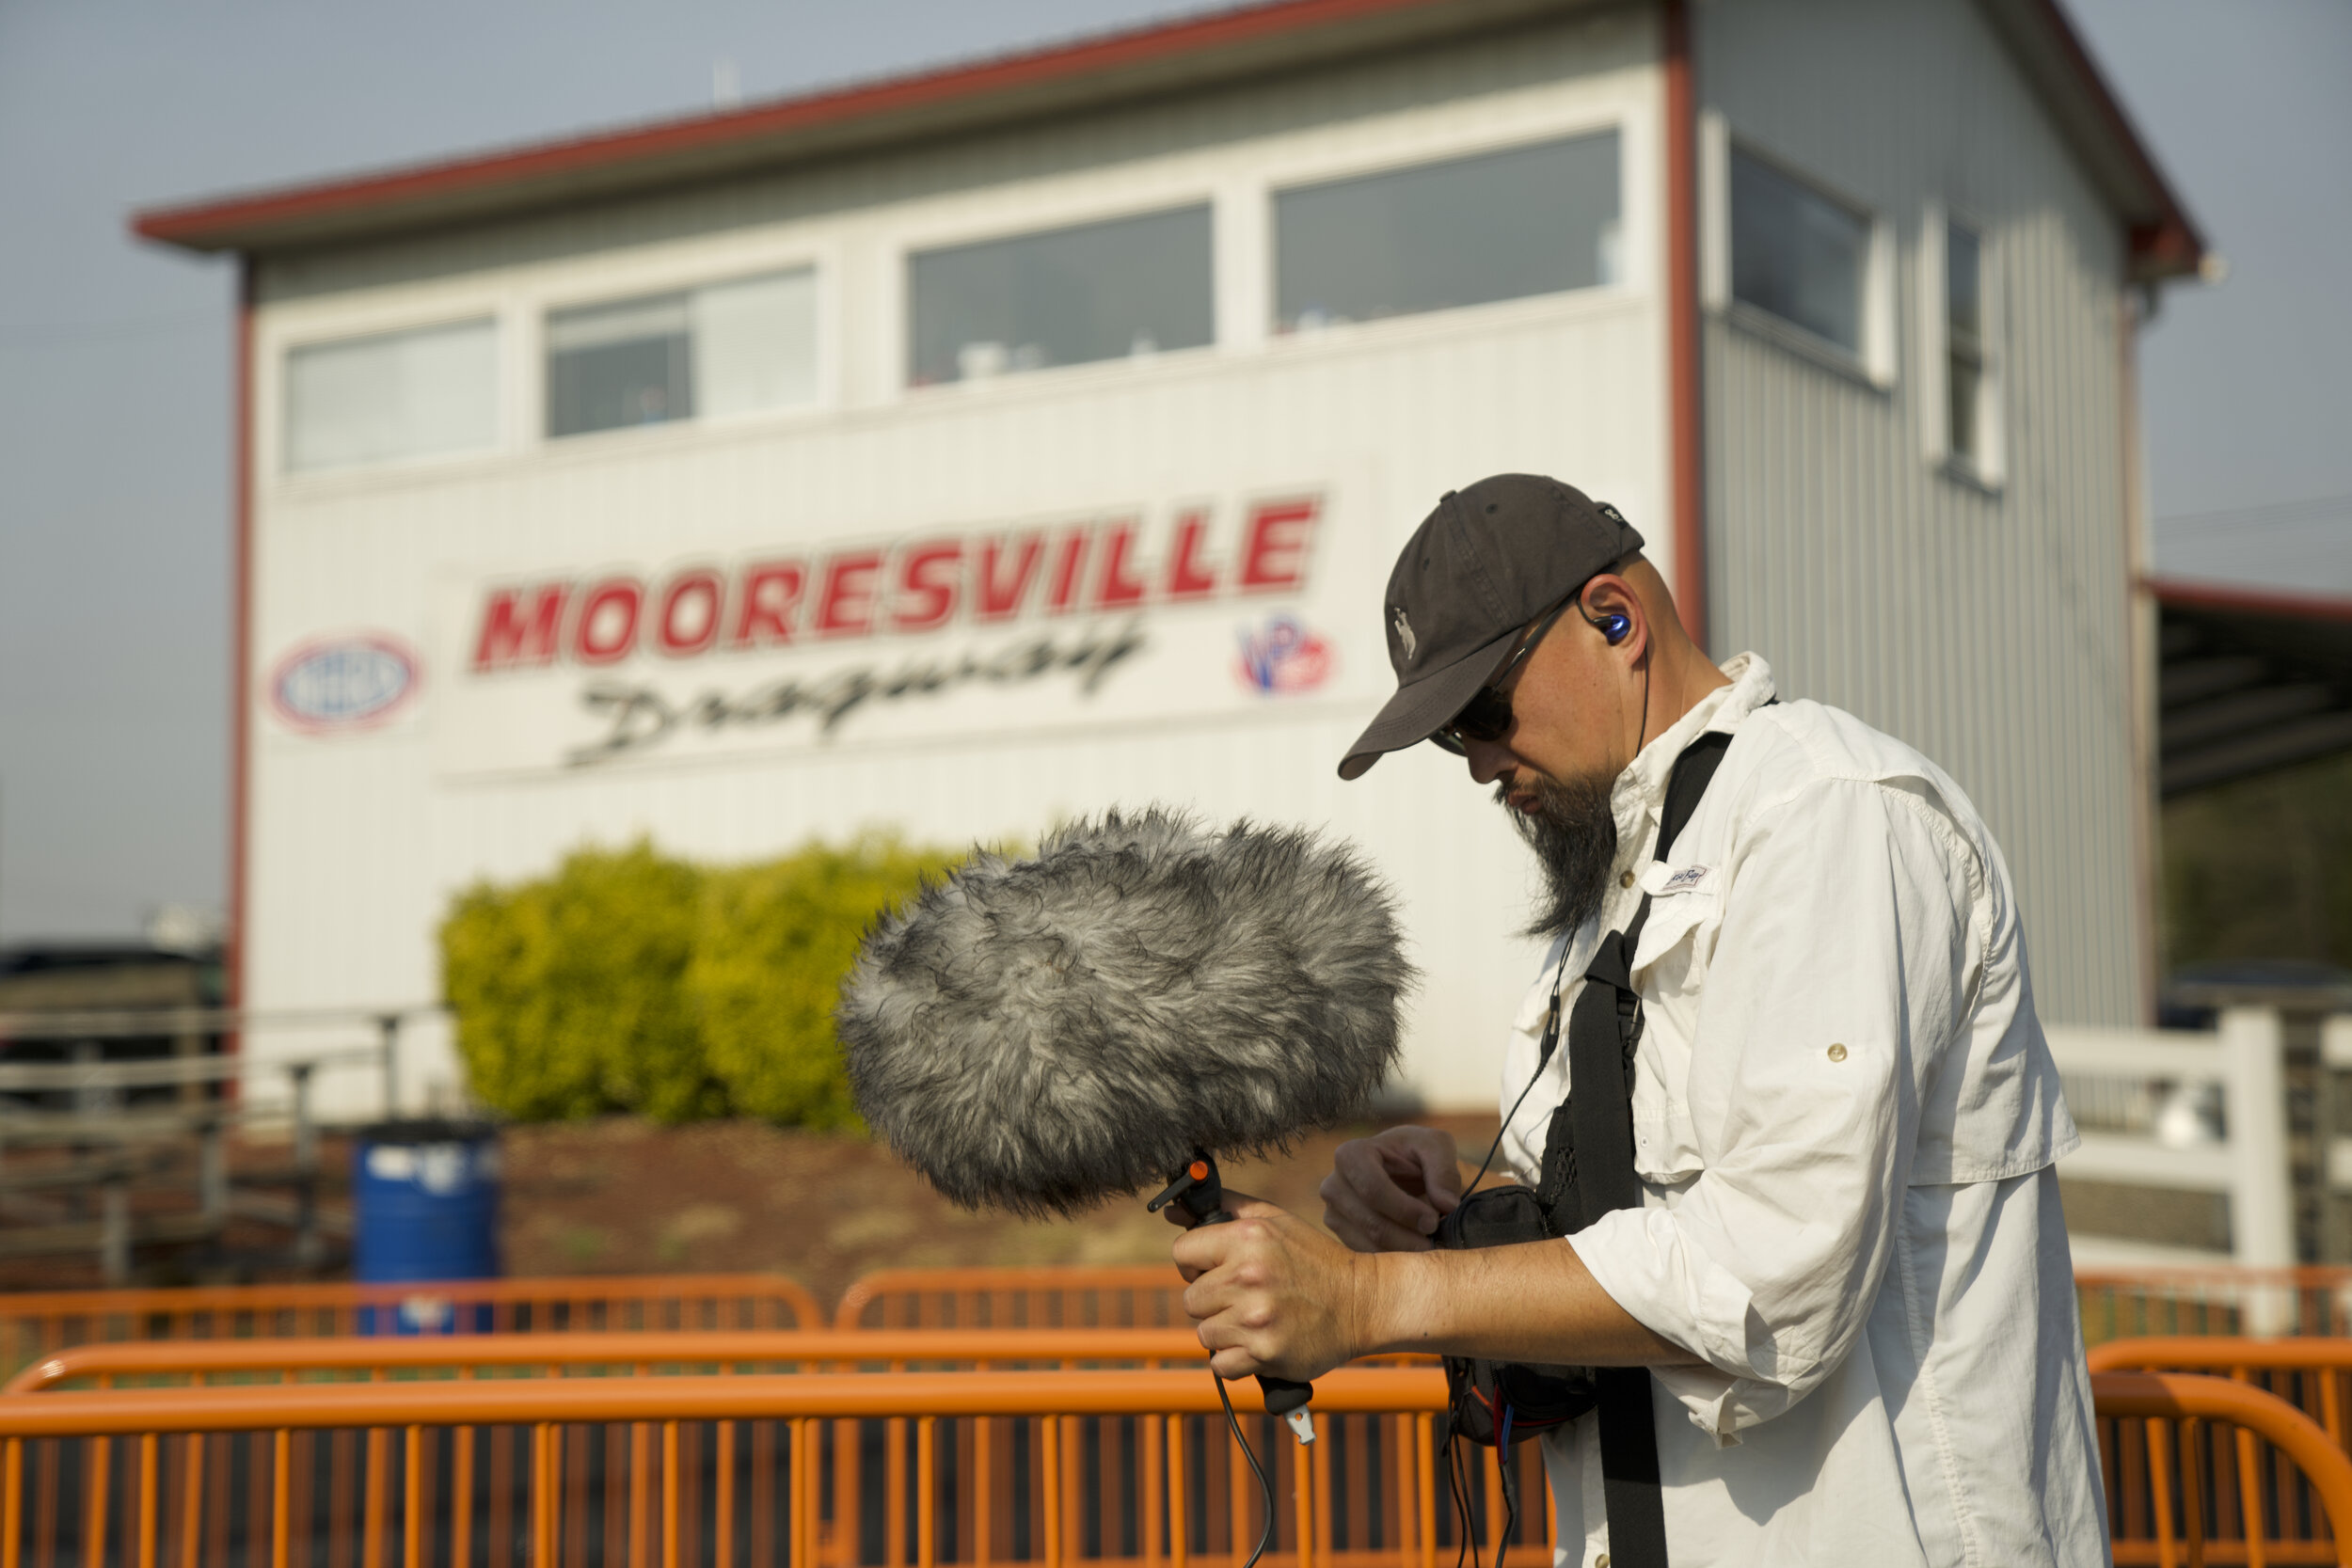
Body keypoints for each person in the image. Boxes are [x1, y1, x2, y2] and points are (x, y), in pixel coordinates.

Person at [1169, 475, 2106, 1566]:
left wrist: (1377, 1297)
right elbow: (1656, 1205)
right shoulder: (1626, 872)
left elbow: (1769, 1273)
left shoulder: (1827, 817)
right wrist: (1456, 1202)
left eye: (1480, 711)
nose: (1475, 761)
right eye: (1445, 737)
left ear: (1614, 616)